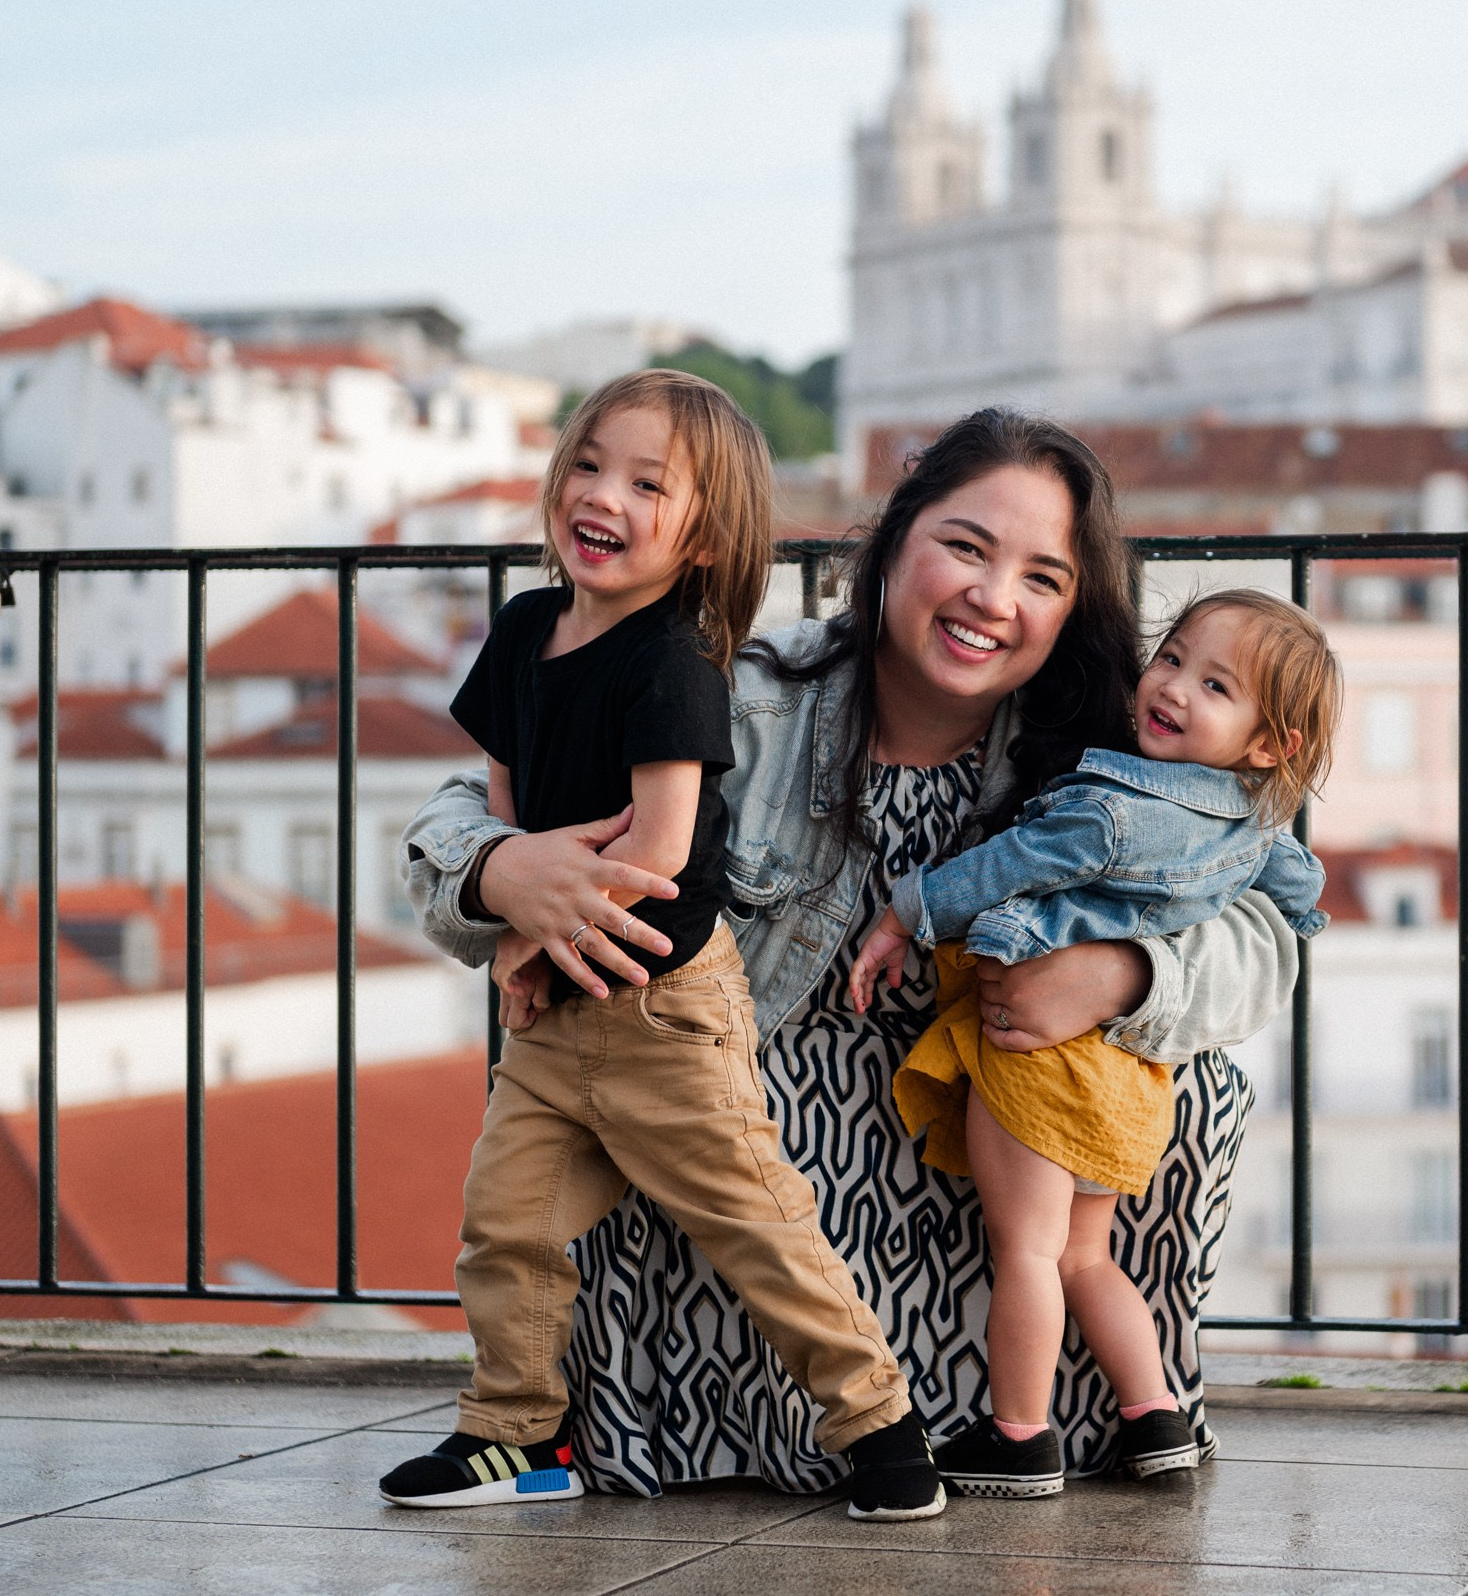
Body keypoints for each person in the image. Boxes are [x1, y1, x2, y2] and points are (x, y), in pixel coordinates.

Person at [400, 408, 1302, 1498]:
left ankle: (1076, 1411)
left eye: (1041, 577)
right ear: (894, 543)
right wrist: (499, 871)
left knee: (1185, 1090)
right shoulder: (750, 692)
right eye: (964, 548)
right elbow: (457, 816)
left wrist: (1124, 973)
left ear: (1073, 607)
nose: (992, 599)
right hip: (761, 1089)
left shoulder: (1130, 752)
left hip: (990, 1119)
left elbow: (1268, 934)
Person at [377, 369, 945, 1522]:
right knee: (507, 1226)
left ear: (702, 536)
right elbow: (502, 802)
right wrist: (514, 932)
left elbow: (659, 852)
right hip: (554, 1012)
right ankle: (514, 1430)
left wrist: (539, 935)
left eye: (647, 483)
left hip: (663, 1005)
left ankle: (879, 1422)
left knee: (753, 1216)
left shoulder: (673, 659)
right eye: (588, 464)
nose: (603, 495)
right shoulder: (529, 626)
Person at [848, 589, 1338, 1498]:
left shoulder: (1110, 804)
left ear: (1272, 743)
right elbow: (1301, 888)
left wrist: (905, 911)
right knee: (1085, 1255)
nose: (1175, 687)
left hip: (1042, 1055)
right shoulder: (1254, 824)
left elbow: (1011, 862)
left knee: (1026, 1251)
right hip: (1132, 1071)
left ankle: (1020, 1436)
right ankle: (1154, 1418)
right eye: (1173, 659)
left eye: (1215, 684)